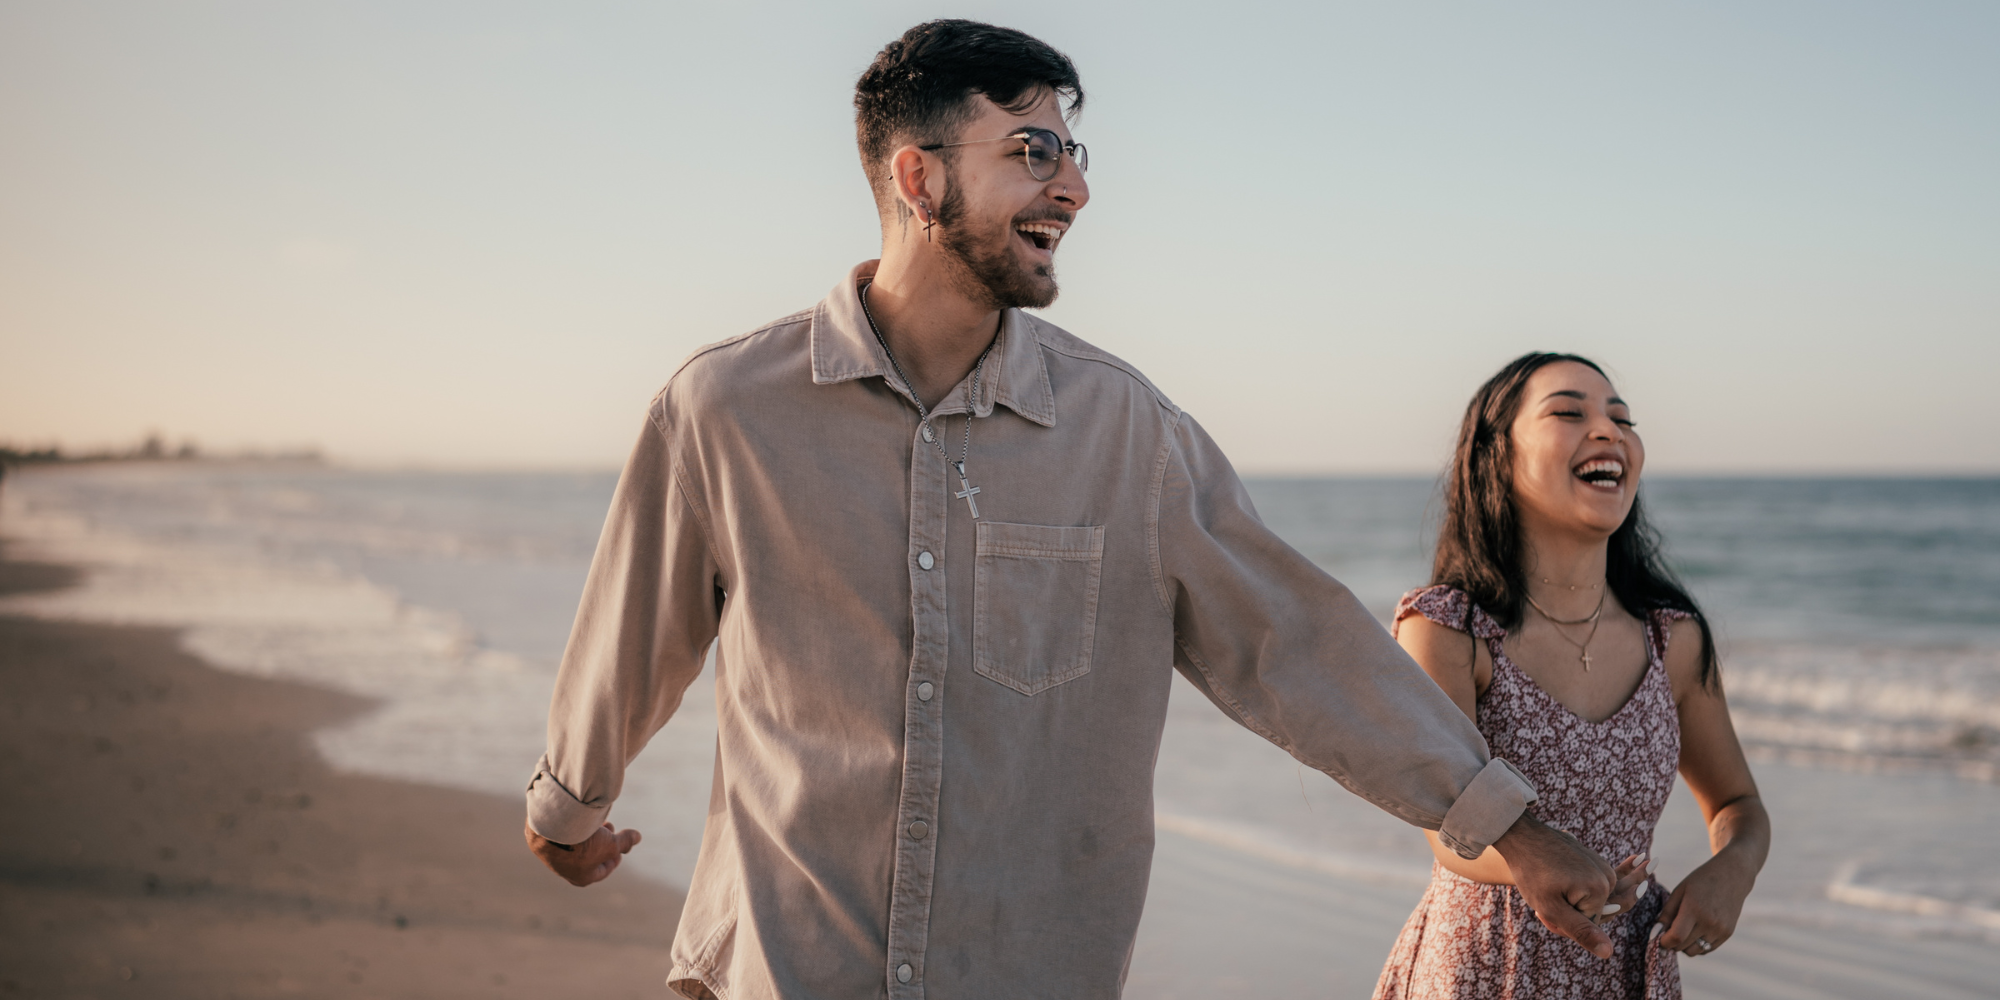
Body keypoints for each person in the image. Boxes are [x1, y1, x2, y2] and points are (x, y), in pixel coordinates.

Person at [522, 21, 1622, 999]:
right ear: (918, 178)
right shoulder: (724, 407)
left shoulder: (1128, 434)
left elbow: (1292, 644)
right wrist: (568, 805)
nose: (1073, 190)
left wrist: (1505, 830)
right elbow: (635, 628)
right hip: (777, 966)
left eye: (1072, 153)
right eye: (1030, 152)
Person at [1373, 353, 1772, 999]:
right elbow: (1446, 828)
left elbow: (1738, 805)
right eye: (1568, 411)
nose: (1609, 431)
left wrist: (1734, 870)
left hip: (1624, 968)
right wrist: (1530, 852)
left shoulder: (1671, 638)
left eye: (1622, 418)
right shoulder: (1448, 628)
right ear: (1494, 456)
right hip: (1486, 965)